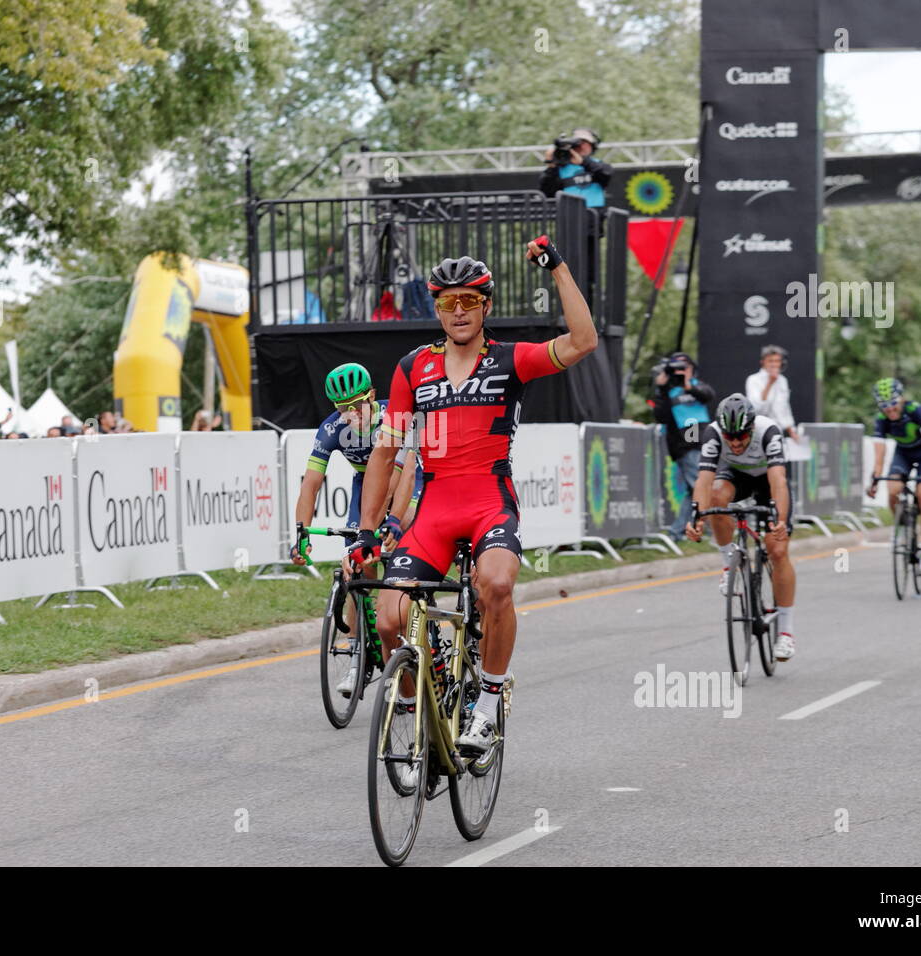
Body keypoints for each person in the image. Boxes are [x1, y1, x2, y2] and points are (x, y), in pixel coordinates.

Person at [349, 237, 599, 757]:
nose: (458, 311)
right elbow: (383, 453)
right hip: (434, 507)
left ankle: (487, 702)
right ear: (436, 308)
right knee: (391, 618)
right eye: (447, 302)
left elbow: (583, 340)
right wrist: (368, 532)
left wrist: (557, 267)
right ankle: (427, 712)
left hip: (489, 499)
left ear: (486, 306)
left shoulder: (511, 360)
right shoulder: (412, 367)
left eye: (469, 301)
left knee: (498, 585)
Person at [291, 363, 423, 698]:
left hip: (407, 476)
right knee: (358, 567)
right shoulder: (332, 428)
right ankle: (357, 657)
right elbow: (311, 484)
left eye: (359, 405)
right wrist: (300, 533)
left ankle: (411, 627)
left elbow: (395, 477)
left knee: (401, 534)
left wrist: (386, 523)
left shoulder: (393, 416)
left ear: (373, 398)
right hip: (365, 483)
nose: (353, 415)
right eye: (343, 409)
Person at [685, 394, 798, 662]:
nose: (735, 443)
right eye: (729, 437)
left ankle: (785, 633)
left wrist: (779, 519)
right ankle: (728, 565)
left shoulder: (768, 431)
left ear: (750, 429)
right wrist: (696, 517)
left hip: (768, 480)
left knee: (778, 551)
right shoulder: (713, 433)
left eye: (741, 437)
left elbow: (779, 481)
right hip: (737, 476)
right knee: (714, 499)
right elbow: (703, 480)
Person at [869, 377, 921, 574]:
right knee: (893, 489)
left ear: (900, 399)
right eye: (884, 406)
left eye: (892, 403)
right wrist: (875, 478)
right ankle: (900, 525)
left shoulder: (914, 410)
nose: (889, 409)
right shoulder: (882, 419)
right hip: (903, 455)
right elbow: (880, 454)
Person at [648, 351, 715, 540]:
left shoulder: (696, 385)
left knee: (693, 490)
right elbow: (660, 416)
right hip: (685, 440)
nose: (680, 372)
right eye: (676, 369)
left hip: (701, 437)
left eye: (684, 368)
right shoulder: (669, 391)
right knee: (700, 486)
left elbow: (708, 395)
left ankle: (677, 531)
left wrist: (688, 384)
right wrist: (661, 388)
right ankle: (706, 527)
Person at [538, 127, 612, 209]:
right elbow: (547, 192)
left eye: (585, 143)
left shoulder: (598, 164)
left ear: (592, 146)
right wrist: (551, 165)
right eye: (578, 143)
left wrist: (583, 162)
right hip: (569, 213)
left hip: (593, 213)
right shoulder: (561, 168)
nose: (581, 147)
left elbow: (606, 173)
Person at [745, 345, 800, 443]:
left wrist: (792, 431)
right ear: (763, 362)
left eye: (777, 361)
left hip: (777, 432)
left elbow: (784, 408)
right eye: (771, 361)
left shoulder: (783, 380)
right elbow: (757, 409)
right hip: (759, 432)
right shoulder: (753, 380)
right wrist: (770, 383)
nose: (774, 364)